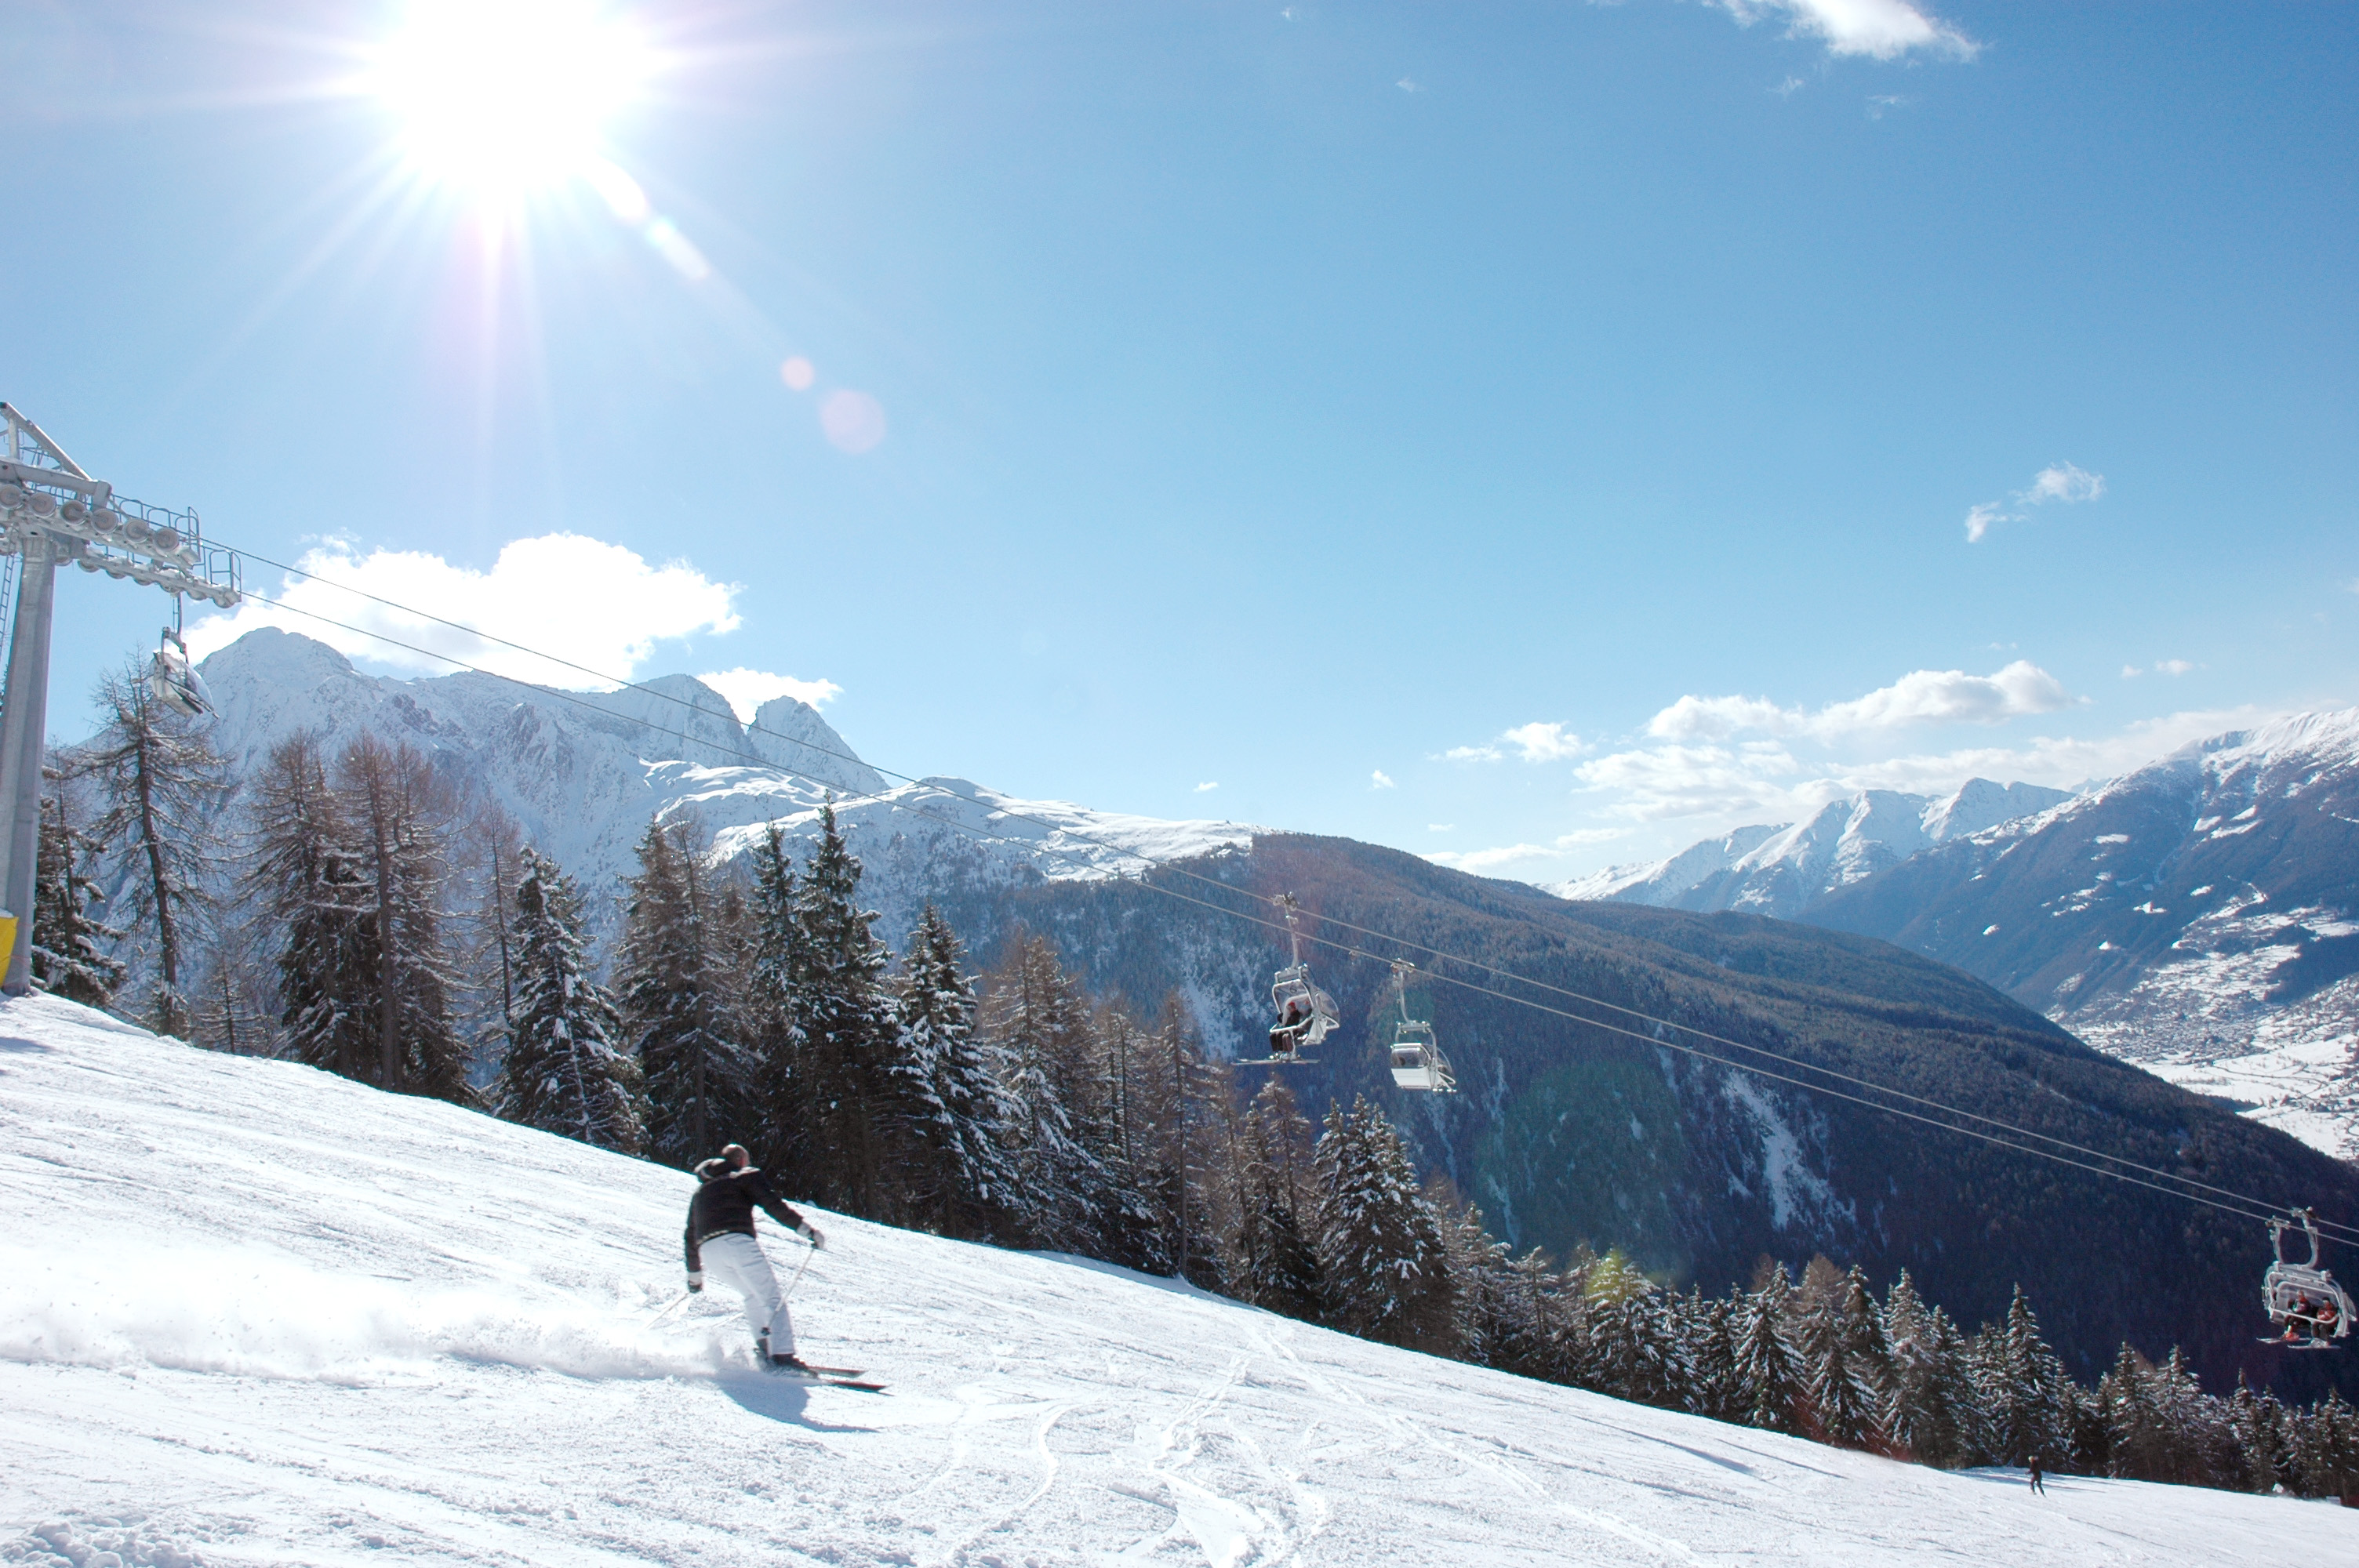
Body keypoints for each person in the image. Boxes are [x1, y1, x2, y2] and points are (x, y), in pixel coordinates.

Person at [685, 1143, 827, 1373]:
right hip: (737, 1244)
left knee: (752, 1294)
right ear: (741, 1160)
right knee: (771, 1298)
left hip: (710, 1252)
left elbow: (690, 1235)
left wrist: (695, 1276)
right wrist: (807, 1231)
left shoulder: (701, 1193)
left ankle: (766, 1349)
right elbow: (774, 1205)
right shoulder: (744, 1176)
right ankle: (782, 1357)